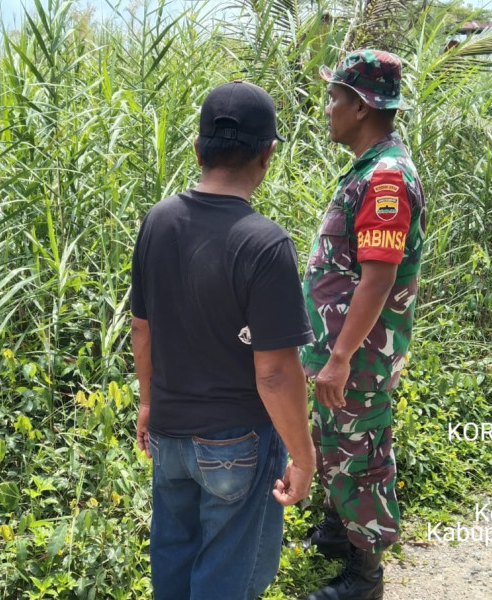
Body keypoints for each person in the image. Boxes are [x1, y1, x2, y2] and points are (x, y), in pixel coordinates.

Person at [130, 80, 316, 600]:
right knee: (226, 580)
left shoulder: (158, 221)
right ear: (268, 155)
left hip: (168, 434)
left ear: (197, 149)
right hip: (236, 444)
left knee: (173, 564)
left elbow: (141, 328)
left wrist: (147, 403)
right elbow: (274, 372)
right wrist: (303, 457)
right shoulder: (265, 243)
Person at [299, 50, 427, 600]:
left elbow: (378, 279)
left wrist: (340, 357)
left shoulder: (385, 179)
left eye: (334, 97)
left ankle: (366, 574)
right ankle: (339, 531)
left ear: (360, 107)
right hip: (346, 351)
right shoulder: (368, 169)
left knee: (361, 452)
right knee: (333, 439)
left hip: (360, 355)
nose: (327, 108)